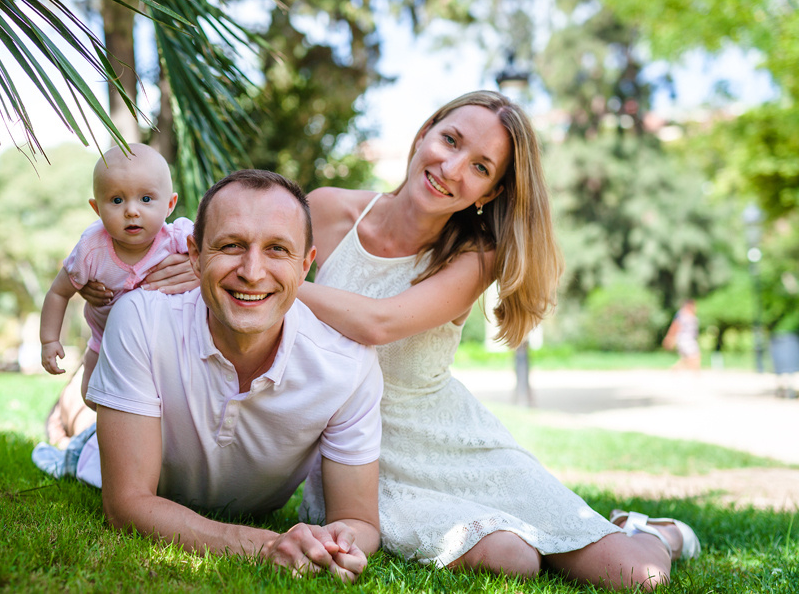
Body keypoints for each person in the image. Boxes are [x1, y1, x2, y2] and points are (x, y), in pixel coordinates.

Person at [292, 91, 700, 591]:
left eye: (481, 167)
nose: (452, 167)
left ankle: (653, 532)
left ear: (488, 193)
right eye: (450, 140)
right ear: (423, 134)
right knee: (513, 559)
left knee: (642, 576)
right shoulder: (328, 209)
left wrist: (277, 282)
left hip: (453, 443)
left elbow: (378, 323)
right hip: (355, 454)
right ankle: (522, 534)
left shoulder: (475, 255)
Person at [35, 170, 384, 581]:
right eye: (232, 245)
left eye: (277, 249)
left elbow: (360, 522)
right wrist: (267, 545)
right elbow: (126, 503)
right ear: (195, 256)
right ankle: (65, 412)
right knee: (77, 435)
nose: (253, 272)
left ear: (306, 264)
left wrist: (338, 543)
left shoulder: (349, 365)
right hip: (100, 447)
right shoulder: (140, 317)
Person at [39, 144, 193, 417]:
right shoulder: (91, 249)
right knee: (90, 394)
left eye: (146, 199)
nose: (132, 211)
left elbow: (216, 251)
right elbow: (58, 293)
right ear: (97, 209)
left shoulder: (178, 238)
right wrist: (49, 340)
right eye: (117, 200)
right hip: (105, 339)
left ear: (170, 204)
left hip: (167, 341)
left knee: (169, 400)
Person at [663, 300, 701, 371]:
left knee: (688, 358)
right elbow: (675, 326)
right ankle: (696, 374)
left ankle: (675, 369)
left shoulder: (691, 315)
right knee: (694, 356)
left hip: (689, 339)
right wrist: (669, 338)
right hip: (684, 339)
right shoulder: (682, 315)